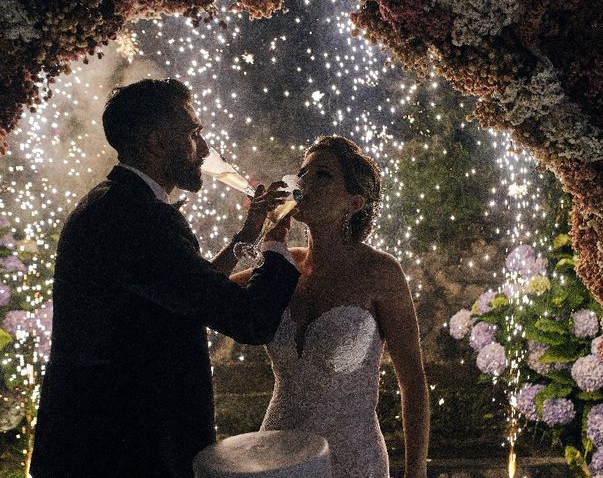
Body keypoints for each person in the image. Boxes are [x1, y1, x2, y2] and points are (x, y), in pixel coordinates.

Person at [30, 79, 300, 478]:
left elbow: (186, 289)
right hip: (125, 450)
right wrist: (278, 242)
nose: (206, 150)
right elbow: (249, 320)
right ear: (156, 142)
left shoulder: (111, 202)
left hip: (94, 445)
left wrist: (250, 231)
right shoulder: (139, 219)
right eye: (193, 134)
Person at [231, 136, 430, 478]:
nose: (304, 182)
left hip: (352, 456)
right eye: (302, 172)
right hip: (278, 453)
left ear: (354, 202)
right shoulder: (280, 267)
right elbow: (202, 295)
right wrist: (254, 231)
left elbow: (412, 382)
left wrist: (415, 473)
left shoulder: (381, 272)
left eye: (321, 175)